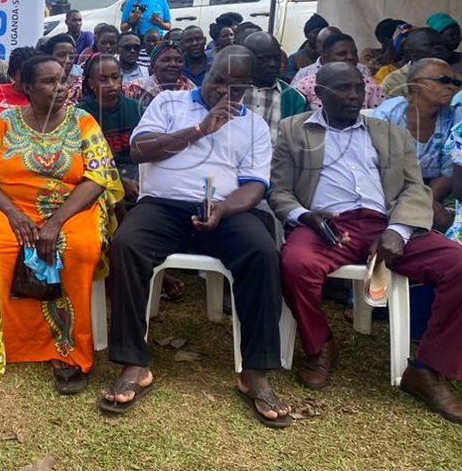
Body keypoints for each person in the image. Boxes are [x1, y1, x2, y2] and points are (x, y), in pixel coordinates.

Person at [101, 47, 291, 428]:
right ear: (205, 71)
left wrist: (225, 209)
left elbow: (255, 186)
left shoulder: (253, 124)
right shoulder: (169, 102)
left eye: (236, 88)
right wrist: (200, 128)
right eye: (219, 80)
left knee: (262, 252)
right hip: (163, 207)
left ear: (248, 89)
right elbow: (139, 152)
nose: (224, 92)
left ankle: (254, 372)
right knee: (127, 244)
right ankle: (134, 364)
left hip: (225, 209)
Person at [270, 62, 462, 422]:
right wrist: (304, 216)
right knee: (294, 265)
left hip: (388, 223)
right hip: (328, 224)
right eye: (342, 89)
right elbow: (279, 191)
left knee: (458, 265)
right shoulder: (294, 130)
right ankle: (320, 345)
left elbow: (413, 188)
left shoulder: (389, 133)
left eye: (358, 88)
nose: (354, 96)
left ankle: (428, 368)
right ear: (320, 94)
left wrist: (399, 230)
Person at [0, 56, 123, 391]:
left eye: (62, 80)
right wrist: (14, 215)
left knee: (80, 249)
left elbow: (98, 176)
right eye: (49, 82)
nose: (60, 88)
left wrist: (56, 222)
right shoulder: (4, 122)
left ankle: (71, 352)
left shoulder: (83, 122)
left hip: (72, 209)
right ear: (27, 88)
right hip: (9, 208)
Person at [373, 58, 462, 232]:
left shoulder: (454, 117)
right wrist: (416, 204)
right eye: (443, 80)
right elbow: (380, 169)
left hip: (433, 192)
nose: (451, 86)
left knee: (440, 219)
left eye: (455, 82)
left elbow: (449, 174)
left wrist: (423, 202)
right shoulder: (389, 114)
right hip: (390, 190)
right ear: (415, 84)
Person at [78, 54, 142, 205]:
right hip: (98, 174)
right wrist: (119, 180)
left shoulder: (136, 108)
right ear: (91, 83)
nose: (111, 84)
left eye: (115, 77)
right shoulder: (81, 113)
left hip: (135, 173)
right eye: (103, 79)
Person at [241, 32, 310, 144]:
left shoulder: (294, 98)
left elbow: (300, 141)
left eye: (277, 58)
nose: (273, 64)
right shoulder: (229, 91)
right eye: (264, 59)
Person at [293, 32, 384, 110]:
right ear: (325, 58)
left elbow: (378, 117)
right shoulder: (307, 85)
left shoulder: (369, 83)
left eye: (354, 53)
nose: (350, 57)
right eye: (342, 54)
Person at [123, 40, 195, 109]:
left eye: (179, 61)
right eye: (166, 60)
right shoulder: (135, 89)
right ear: (153, 65)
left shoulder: (190, 89)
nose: (173, 64)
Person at [381, 28, 451, 98]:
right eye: (430, 45)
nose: (439, 48)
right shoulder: (395, 81)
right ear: (412, 52)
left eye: (441, 44)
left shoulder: (454, 78)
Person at [285, 13, 328, 81]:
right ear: (306, 34)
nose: (320, 36)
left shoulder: (333, 56)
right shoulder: (295, 59)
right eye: (316, 32)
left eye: (323, 32)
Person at [42, 33, 82, 104]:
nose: (67, 61)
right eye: (61, 55)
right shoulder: (39, 83)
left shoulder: (81, 83)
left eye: (71, 56)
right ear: (48, 56)